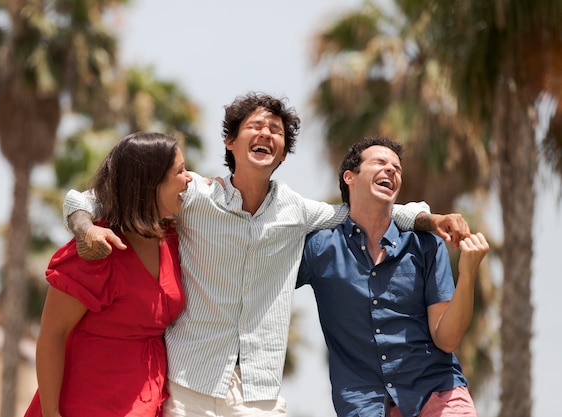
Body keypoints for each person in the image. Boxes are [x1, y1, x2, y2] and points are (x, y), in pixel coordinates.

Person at [63, 92, 469, 417]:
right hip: (190, 382)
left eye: (275, 131)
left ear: (283, 153)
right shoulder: (193, 197)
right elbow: (85, 196)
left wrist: (426, 219)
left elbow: (362, 210)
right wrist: (85, 227)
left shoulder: (299, 211)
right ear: (230, 141)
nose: (266, 134)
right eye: (255, 126)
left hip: (260, 391)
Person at [296, 136, 489, 417]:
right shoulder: (319, 248)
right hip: (363, 404)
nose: (391, 170)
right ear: (350, 177)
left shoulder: (426, 245)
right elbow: (266, 280)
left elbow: (446, 340)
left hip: (438, 393)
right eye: (380, 163)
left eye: (397, 168)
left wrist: (468, 275)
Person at [24, 132, 192, 417]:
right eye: (180, 171)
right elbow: (53, 334)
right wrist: (51, 414)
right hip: (86, 404)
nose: (190, 178)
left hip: (147, 400)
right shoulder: (94, 251)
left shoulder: (174, 238)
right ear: (150, 183)